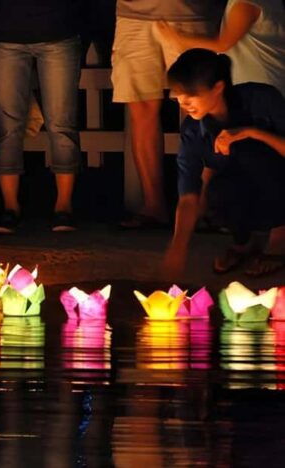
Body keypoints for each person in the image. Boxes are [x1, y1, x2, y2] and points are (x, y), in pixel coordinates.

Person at [161, 49, 285, 278]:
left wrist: (251, 132)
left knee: (250, 154)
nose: (183, 103)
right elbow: (189, 195)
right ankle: (242, 242)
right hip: (244, 189)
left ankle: (279, 238)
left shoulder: (262, 99)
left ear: (218, 88)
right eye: (178, 96)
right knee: (217, 188)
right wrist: (178, 248)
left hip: (279, 179)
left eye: (190, 95)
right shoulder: (193, 130)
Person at [112, 0, 224, 229]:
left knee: (202, 109)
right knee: (140, 108)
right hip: (133, 14)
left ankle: (203, 206)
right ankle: (153, 206)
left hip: (191, 12)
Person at [0, 0, 83, 234]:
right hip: (5, 34)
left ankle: (64, 207)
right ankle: (10, 207)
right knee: (7, 125)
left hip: (58, 31)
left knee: (62, 122)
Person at [156, 0, 285, 96]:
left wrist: (178, 40)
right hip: (264, 82)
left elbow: (223, 44)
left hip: (262, 83)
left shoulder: (246, 4)